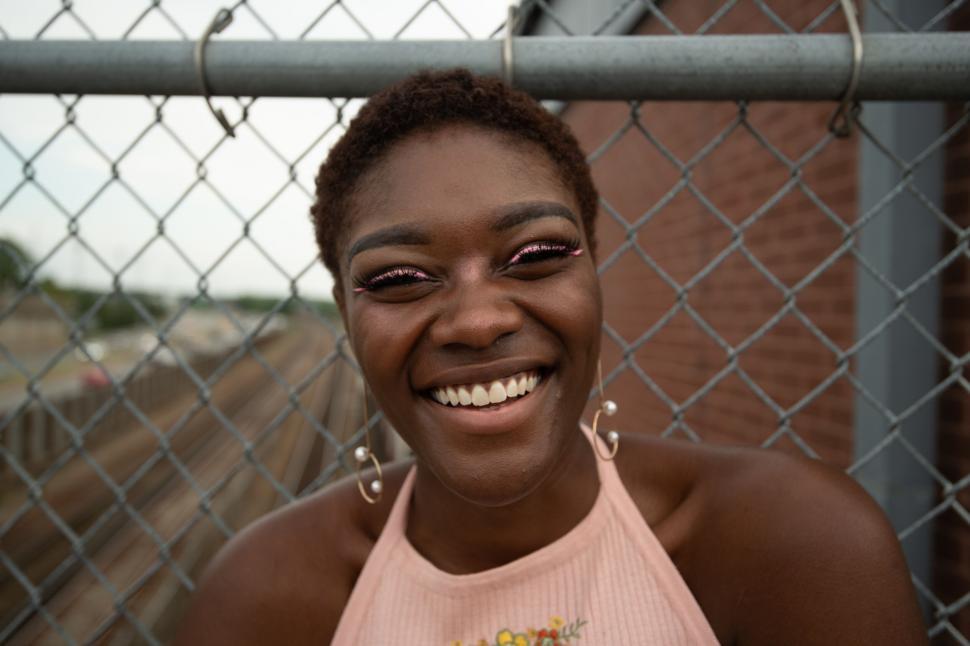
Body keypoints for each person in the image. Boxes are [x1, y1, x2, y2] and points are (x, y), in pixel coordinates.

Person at [175, 69, 927, 645]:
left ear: (594, 276)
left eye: (534, 255)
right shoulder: (262, 598)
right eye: (399, 278)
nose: (476, 320)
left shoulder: (795, 551)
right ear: (346, 315)